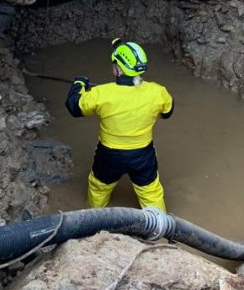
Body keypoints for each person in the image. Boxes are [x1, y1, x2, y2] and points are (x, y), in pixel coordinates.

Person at [65, 38, 174, 212]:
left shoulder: (101, 93)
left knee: (99, 187)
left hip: (109, 155)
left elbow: (74, 107)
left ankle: (94, 219)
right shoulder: (157, 91)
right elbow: (167, 112)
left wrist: (79, 84)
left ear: (118, 69)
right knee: (151, 192)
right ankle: (160, 224)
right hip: (143, 155)